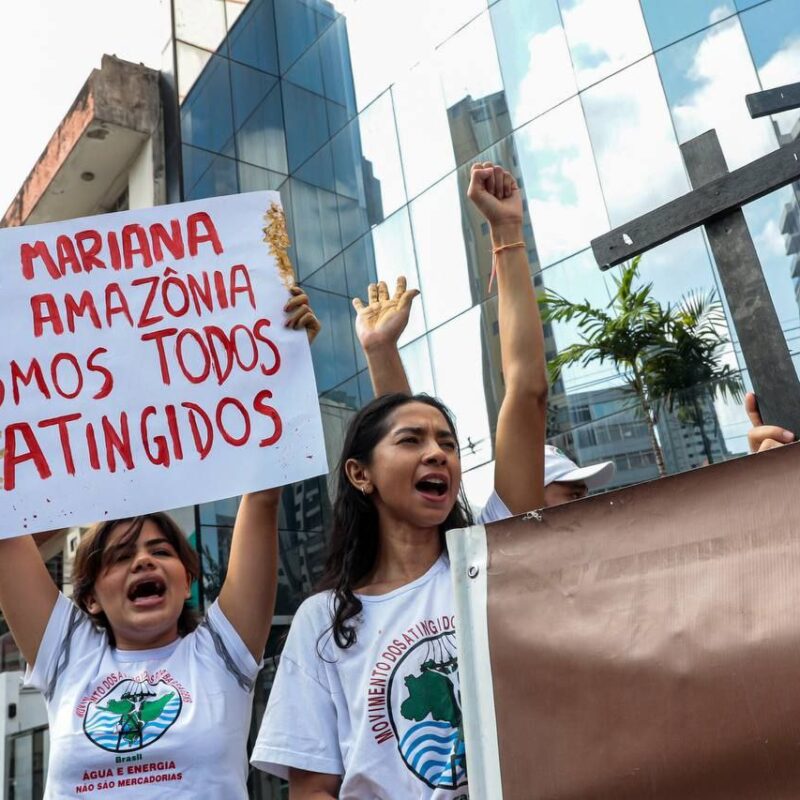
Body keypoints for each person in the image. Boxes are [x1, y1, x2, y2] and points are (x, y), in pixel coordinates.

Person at [251, 162, 549, 797]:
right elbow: (312, 788)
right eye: (414, 442)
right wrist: (377, 356)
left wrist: (506, 235)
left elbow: (526, 391)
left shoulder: (491, 558)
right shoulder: (321, 621)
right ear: (359, 474)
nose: (437, 454)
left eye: (448, 443)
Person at [0, 286, 319, 799]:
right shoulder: (67, 654)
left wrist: (284, 361)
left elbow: (263, 495)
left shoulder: (221, 652)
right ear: (89, 597)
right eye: (121, 556)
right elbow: (5, 533)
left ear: (187, 579)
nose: (143, 561)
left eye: (161, 552)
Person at [350, 272, 614, 509]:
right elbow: (528, 390)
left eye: (448, 445)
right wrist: (380, 350)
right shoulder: (493, 535)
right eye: (573, 496)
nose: (437, 455)